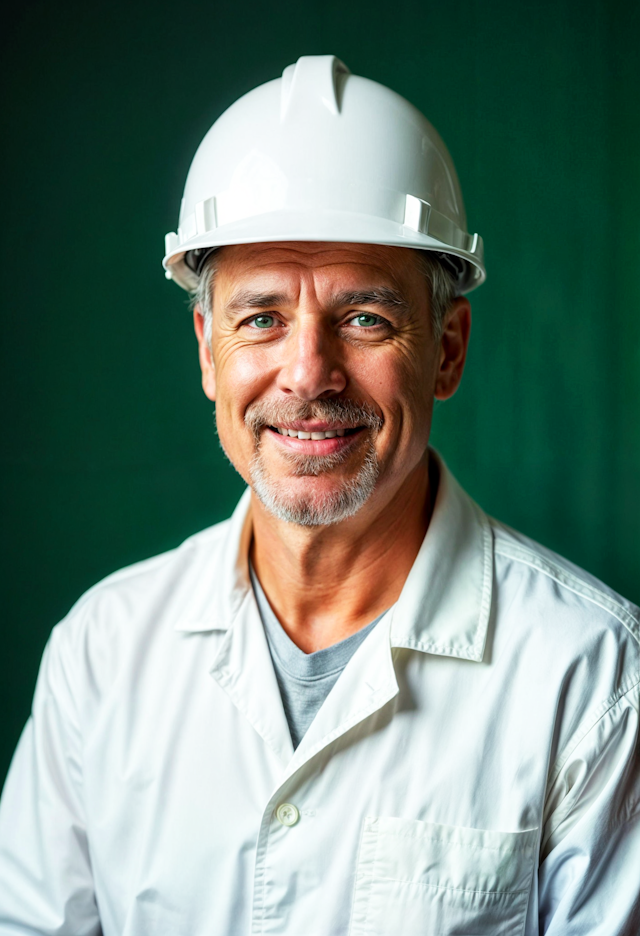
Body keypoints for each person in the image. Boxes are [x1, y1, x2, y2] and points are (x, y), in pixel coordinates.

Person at [0, 54, 638, 936]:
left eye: (365, 318)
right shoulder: (101, 657)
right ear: (206, 349)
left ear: (447, 348)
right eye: (261, 318)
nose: (308, 374)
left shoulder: (595, 677)